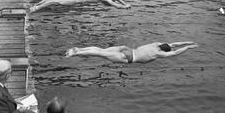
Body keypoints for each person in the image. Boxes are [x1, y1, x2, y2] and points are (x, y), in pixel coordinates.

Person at [65, 42, 198, 63]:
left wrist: (188, 42)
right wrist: (188, 48)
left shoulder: (156, 44)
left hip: (127, 49)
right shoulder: (159, 54)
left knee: (101, 50)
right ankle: (74, 54)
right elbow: (175, 52)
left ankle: (79, 49)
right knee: (100, 54)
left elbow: (174, 44)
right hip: (128, 57)